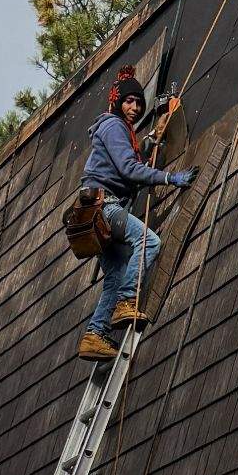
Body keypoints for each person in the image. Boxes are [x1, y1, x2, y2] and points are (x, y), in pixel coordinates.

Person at [76, 68, 192, 361]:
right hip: (106, 207)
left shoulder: (119, 130)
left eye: (139, 103)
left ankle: (94, 334)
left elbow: (129, 159)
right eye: (129, 101)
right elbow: (129, 168)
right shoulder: (114, 126)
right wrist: (169, 178)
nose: (135, 108)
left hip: (93, 214)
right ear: (118, 103)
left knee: (114, 274)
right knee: (149, 242)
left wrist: (152, 137)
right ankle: (127, 302)